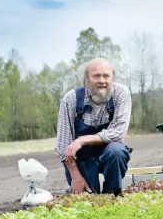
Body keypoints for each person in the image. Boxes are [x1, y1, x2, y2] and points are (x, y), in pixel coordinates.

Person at [55, 57, 132, 196]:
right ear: (86, 79)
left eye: (106, 76)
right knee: (89, 200)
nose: (101, 81)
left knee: (117, 151)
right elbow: (63, 146)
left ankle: (113, 195)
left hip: (108, 154)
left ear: (112, 78)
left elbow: (118, 133)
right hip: (81, 160)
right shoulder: (71, 100)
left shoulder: (120, 93)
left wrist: (81, 140)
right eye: (96, 76)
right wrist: (76, 177)